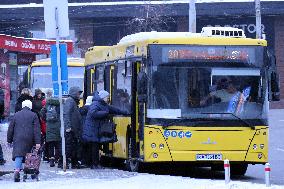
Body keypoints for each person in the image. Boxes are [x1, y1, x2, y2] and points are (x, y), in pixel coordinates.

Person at [82, 90, 128, 169]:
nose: (108, 99)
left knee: (95, 147)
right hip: (92, 129)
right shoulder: (95, 104)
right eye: (107, 97)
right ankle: (95, 165)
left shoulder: (103, 104)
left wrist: (125, 112)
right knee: (94, 147)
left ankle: (94, 164)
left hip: (96, 128)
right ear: (103, 97)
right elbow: (93, 113)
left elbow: (114, 109)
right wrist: (105, 113)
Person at [7, 100, 41, 182]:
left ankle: (17, 171)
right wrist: (37, 142)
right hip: (30, 138)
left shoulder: (16, 115)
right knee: (29, 156)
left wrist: (9, 140)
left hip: (18, 138)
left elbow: (10, 128)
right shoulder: (34, 115)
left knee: (19, 154)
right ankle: (30, 172)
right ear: (30, 106)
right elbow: (36, 130)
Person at [63, 86, 83, 169]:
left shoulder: (73, 101)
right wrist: (68, 127)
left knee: (74, 146)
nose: (79, 95)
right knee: (69, 146)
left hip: (74, 129)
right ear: (74, 93)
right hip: (70, 129)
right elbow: (66, 114)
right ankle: (66, 162)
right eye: (78, 93)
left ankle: (73, 163)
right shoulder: (70, 101)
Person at [43, 97, 61, 168]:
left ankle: (51, 161)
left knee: (50, 145)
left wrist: (46, 121)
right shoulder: (59, 105)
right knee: (57, 145)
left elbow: (42, 114)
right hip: (57, 127)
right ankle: (58, 159)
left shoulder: (47, 105)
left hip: (49, 127)